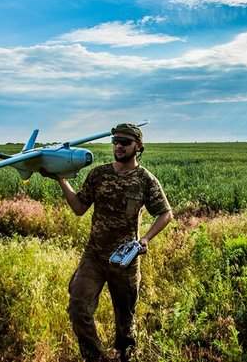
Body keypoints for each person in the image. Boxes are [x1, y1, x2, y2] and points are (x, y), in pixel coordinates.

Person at [52, 123, 173, 362]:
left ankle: (124, 354)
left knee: (125, 321)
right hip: (94, 256)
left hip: (124, 260)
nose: (118, 146)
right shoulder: (99, 174)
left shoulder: (145, 179)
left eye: (125, 142)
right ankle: (96, 358)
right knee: (78, 308)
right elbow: (78, 207)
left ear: (138, 146)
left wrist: (145, 239)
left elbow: (165, 213)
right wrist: (61, 180)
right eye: (115, 141)